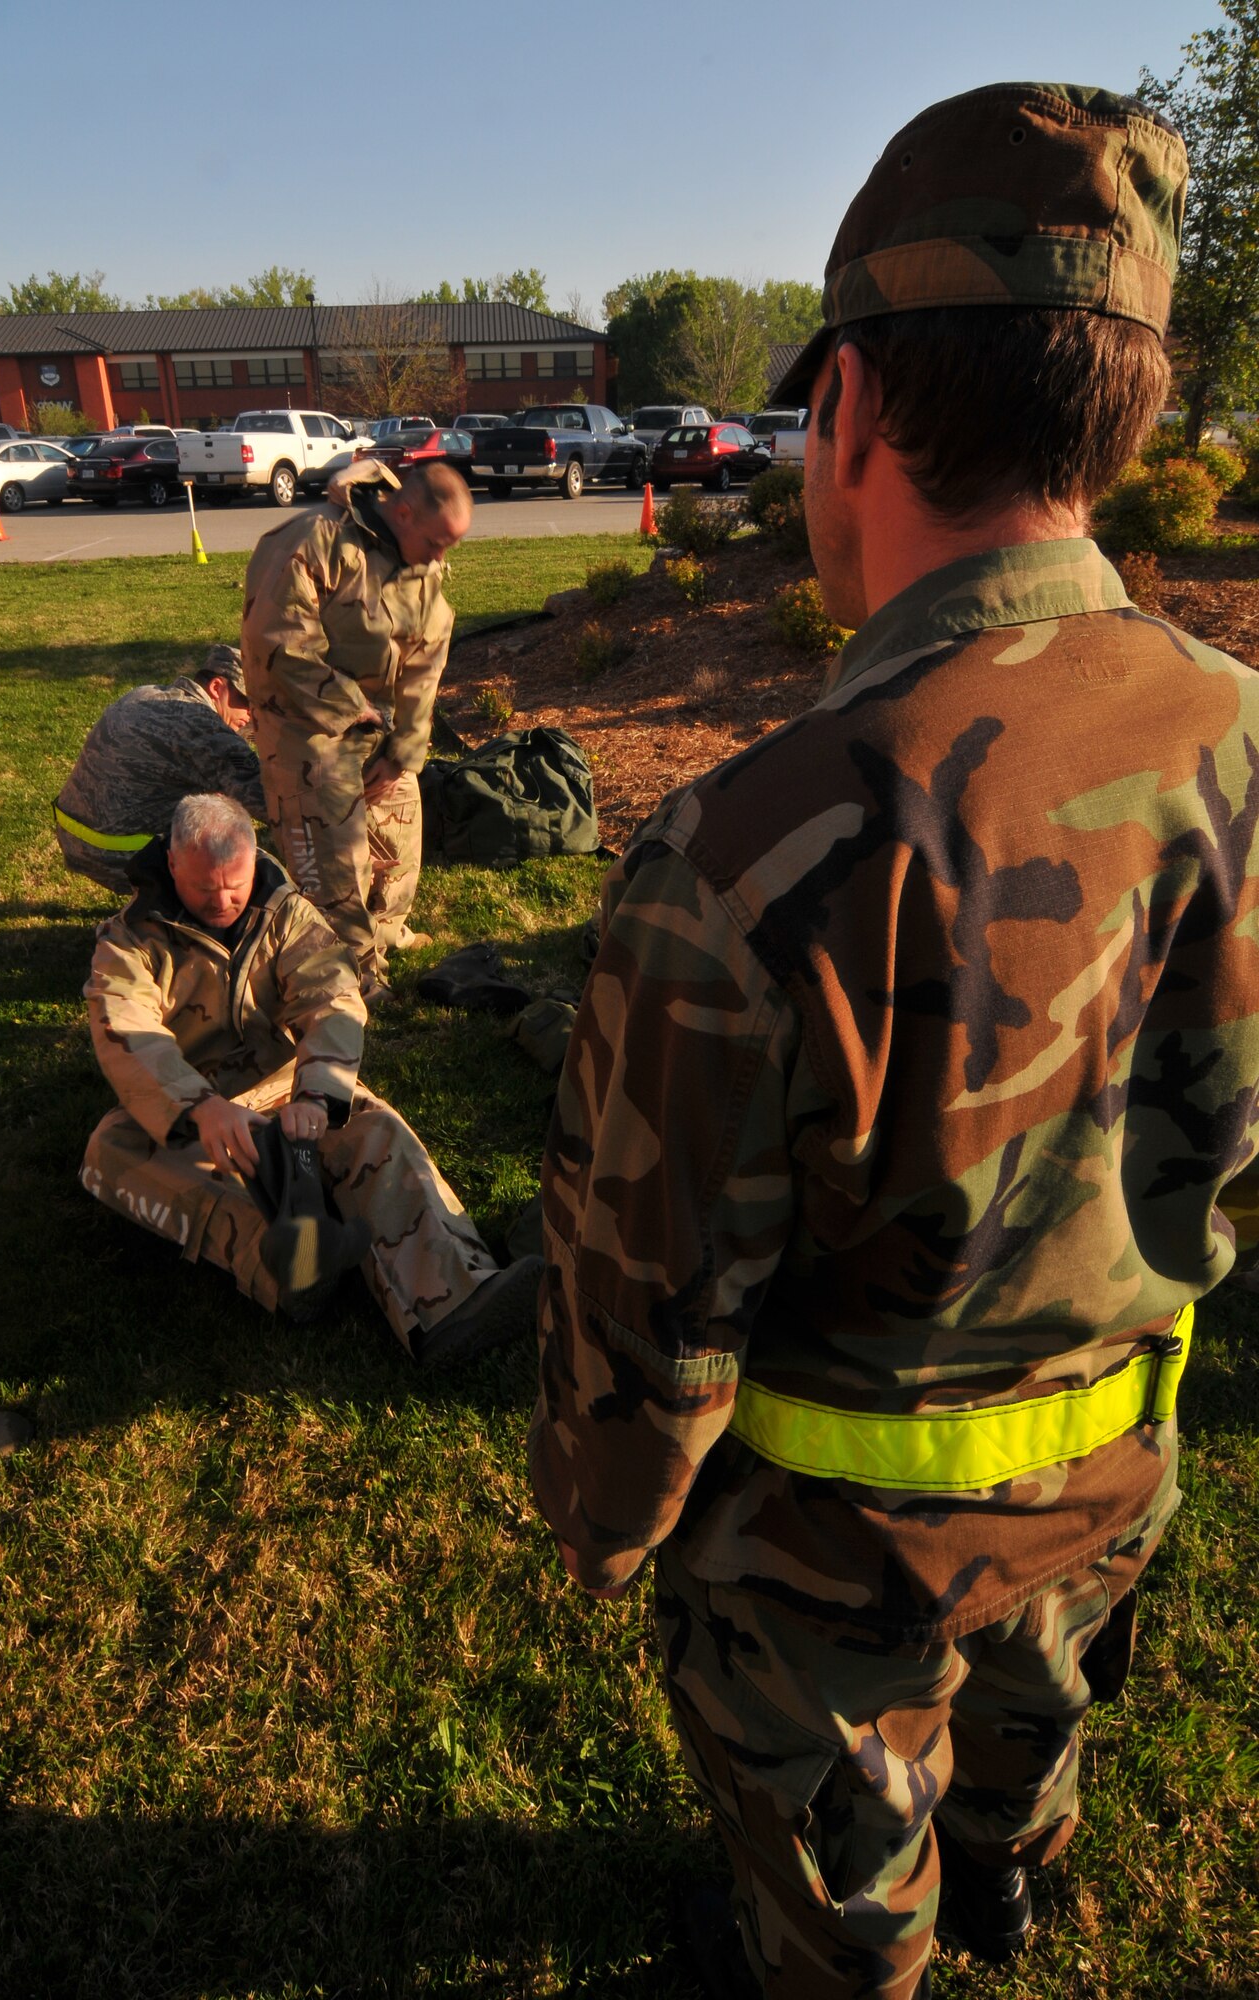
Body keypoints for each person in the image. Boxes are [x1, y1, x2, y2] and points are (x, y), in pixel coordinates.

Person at [529, 84, 1256, 1998]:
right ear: (1124, 408)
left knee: (847, 1916)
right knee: (1030, 1741)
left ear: (845, 405)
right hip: (1112, 1473)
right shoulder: (1240, 738)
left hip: (830, 1580)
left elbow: (642, 1327)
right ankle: (1011, 1866)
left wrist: (602, 1536)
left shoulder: (750, 852)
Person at [81, 793, 540, 1367]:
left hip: (287, 1086)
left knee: (378, 1132)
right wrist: (203, 1108)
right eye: (204, 888)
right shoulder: (128, 941)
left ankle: (453, 1302)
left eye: (236, 884)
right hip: (197, 1112)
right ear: (172, 864)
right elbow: (126, 1030)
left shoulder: (287, 912)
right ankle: (291, 1267)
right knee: (110, 1149)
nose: (222, 900)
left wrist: (319, 1092)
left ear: (255, 860)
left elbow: (333, 998)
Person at [241, 458, 473, 1003]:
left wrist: (406, 748)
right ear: (404, 511)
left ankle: (386, 930)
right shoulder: (311, 542)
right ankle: (351, 972)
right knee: (334, 857)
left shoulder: (420, 562)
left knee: (399, 827)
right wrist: (357, 710)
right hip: (304, 726)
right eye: (439, 541)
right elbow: (279, 643)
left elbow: (427, 654)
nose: (442, 557)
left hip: (374, 721)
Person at [53, 644, 265, 894]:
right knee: (244, 857)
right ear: (217, 687)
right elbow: (273, 803)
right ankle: (169, 914)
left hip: (71, 833)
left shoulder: (145, 694)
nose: (252, 715)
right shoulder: (204, 728)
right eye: (247, 701)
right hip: (118, 856)